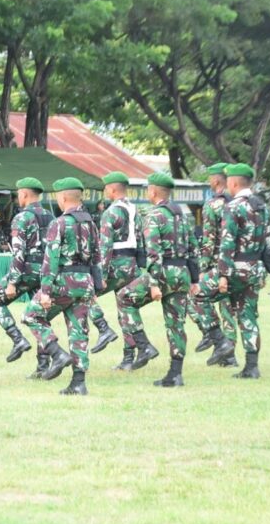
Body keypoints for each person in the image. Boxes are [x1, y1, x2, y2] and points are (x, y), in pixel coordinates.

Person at [116, 172, 198, 387]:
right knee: (176, 324)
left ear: (152, 191)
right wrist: (195, 279)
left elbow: (154, 254)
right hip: (183, 274)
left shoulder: (154, 216)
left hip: (163, 273)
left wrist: (154, 284)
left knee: (124, 298)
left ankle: (143, 346)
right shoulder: (182, 215)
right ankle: (175, 374)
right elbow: (192, 249)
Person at [21, 177, 101, 395]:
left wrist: (45, 291)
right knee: (79, 331)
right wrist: (96, 288)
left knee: (31, 315)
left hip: (63, 282)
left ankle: (57, 354)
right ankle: (78, 382)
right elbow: (96, 257)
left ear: (63, 197)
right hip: (85, 283)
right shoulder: (91, 223)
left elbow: (51, 259)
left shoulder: (59, 223)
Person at [0, 177, 52, 371]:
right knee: (41, 317)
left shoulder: (22, 217)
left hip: (26, 270)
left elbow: (18, 252)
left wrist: (13, 282)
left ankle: (18, 339)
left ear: (24, 194)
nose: (18, 198)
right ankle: (43, 365)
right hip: (45, 271)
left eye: (18, 194)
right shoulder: (51, 216)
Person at [214, 163, 270, 379]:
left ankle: (221, 342)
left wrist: (222, 274)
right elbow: (267, 240)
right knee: (248, 315)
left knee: (200, 296)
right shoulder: (261, 205)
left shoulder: (233, 206)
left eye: (228, 180)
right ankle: (251, 366)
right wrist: (265, 270)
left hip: (237, 268)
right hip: (256, 267)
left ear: (234, 182)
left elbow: (227, 242)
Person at [188, 163, 239, 367]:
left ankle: (218, 342)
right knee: (228, 310)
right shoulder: (238, 202)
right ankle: (230, 357)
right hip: (240, 265)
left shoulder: (213, 205)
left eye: (210, 179)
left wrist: (202, 270)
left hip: (218, 264)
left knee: (197, 296)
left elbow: (209, 241)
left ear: (216, 180)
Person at [95, 172, 145, 371]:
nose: (106, 191)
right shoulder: (134, 210)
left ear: (113, 189)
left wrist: (102, 275)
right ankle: (129, 356)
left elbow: (105, 246)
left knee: (85, 295)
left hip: (116, 263)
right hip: (132, 263)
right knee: (124, 310)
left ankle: (103, 329)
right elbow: (141, 240)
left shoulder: (111, 212)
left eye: (106, 188)